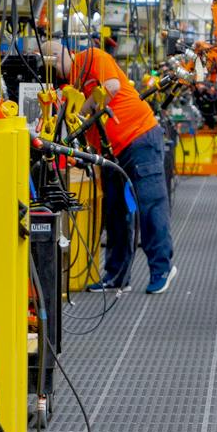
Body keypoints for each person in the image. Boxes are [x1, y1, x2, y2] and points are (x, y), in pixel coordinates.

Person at [55, 41, 177, 294]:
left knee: (149, 205)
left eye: (50, 65)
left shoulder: (91, 57)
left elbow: (112, 86)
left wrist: (79, 111)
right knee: (116, 213)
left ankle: (162, 269)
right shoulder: (67, 87)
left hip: (139, 137)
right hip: (109, 152)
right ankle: (117, 276)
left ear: (57, 56)